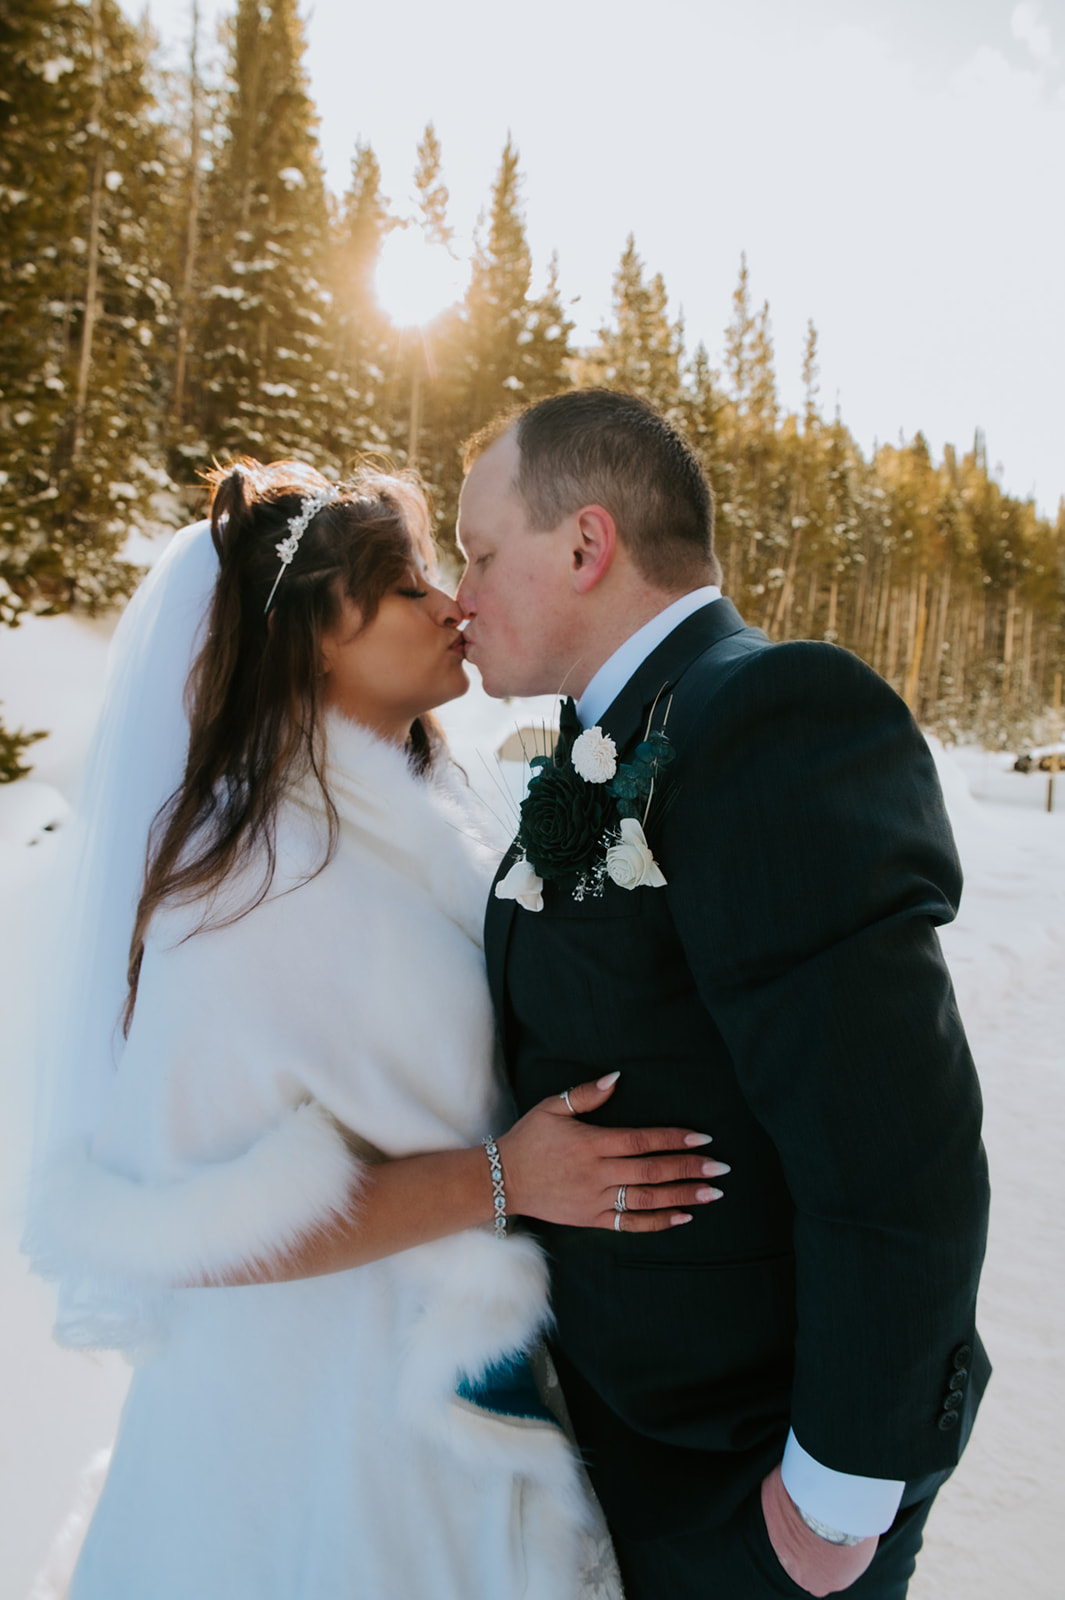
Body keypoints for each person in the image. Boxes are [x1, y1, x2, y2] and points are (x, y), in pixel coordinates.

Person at [23, 458, 727, 1599]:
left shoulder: (405, 832)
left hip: (423, 1393)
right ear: (315, 638)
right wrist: (504, 1179)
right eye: (407, 589)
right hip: (312, 1446)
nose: (453, 603)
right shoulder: (242, 889)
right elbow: (203, 1228)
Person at [456, 389, 991, 1600]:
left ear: (586, 545)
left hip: (750, 1490)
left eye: (482, 553)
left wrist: (837, 1490)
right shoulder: (609, 734)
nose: (461, 590)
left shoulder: (770, 717)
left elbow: (902, 1149)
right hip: (626, 1453)